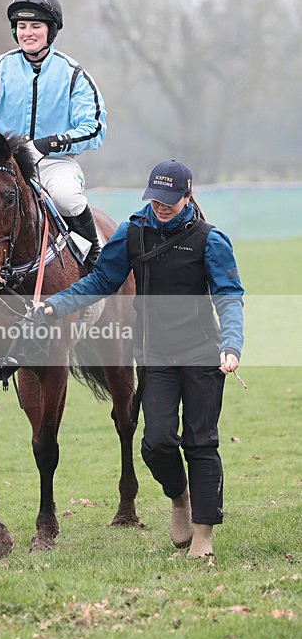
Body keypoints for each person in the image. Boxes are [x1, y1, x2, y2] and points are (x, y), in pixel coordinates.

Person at [36, 159, 244, 559]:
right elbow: (101, 280)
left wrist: (231, 343)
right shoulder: (131, 233)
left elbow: (228, 295)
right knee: (156, 443)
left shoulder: (210, 240)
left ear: (188, 195)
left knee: (201, 443)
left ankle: (203, 538)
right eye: (156, 199)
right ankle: (179, 497)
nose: (162, 206)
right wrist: (55, 305)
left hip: (203, 354)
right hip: (154, 354)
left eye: (170, 200)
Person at [0, 0, 107, 297]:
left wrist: (49, 143)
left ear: (51, 30)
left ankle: (96, 260)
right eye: (22, 27)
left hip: (55, 160)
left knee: (68, 196)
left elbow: (94, 126)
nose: (28, 33)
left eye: (36, 26)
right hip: (3, 162)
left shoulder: (73, 75)